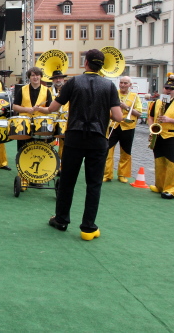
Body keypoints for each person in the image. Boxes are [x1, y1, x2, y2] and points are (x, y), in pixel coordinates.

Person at [46, 49, 122, 240]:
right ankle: (88, 227)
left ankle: (61, 220)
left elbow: (53, 108)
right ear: (101, 66)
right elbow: (118, 116)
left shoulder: (73, 82)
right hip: (97, 138)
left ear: (86, 63)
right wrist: (102, 112)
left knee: (67, 181)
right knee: (94, 184)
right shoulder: (109, 85)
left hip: (74, 136)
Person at [147, 74, 174, 199]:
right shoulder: (157, 102)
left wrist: (169, 120)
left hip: (172, 136)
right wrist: (152, 128)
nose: (168, 90)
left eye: (171, 89)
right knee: (159, 162)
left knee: (173, 164)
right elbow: (150, 117)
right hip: (158, 135)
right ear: (163, 89)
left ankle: (172, 190)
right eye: (166, 88)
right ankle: (160, 185)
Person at [104, 76, 142, 183]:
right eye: (121, 82)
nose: (123, 85)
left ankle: (122, 174)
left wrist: (127, 107)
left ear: (130, 85)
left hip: (128, 126)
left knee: (126, 151)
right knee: (108, 150)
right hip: (113, 125)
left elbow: (139, 113)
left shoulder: (135, 96)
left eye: (125, 83)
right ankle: (107, 174)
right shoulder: (113, 93)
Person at [11, 66, 52, 151]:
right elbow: (14, 106)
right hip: (24, 124)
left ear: (41, 76)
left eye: (37, 75)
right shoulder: (22, 90)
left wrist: (40, 109)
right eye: (33, 75)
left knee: (39, 149)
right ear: (29, 77)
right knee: (23, 149)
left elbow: (50, 109)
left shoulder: (47, 90)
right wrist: (27, 109)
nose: (35, 77)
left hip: (40, 125)